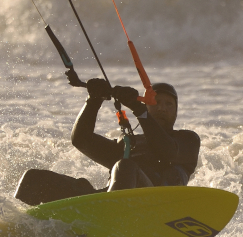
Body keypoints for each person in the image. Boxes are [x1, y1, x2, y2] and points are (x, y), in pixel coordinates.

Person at [72, 79, 200, 191]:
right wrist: (93, 100)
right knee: (52, 181)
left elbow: (167, 151)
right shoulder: (128, 143)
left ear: (176, 112)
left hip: (157, 202)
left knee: (125, 166)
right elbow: (81, 140)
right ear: (147, 107)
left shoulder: (187, 140)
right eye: (155, 102)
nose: (162, 108)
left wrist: (139, 110)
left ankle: (112, 208)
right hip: (113, 199)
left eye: (169, 104)